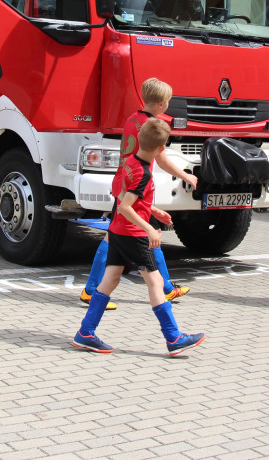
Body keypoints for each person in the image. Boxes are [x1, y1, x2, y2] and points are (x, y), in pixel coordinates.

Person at [73, 118, 204, 356]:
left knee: (110, 279)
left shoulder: (129, 162)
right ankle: (173, 337)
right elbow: (125, 205)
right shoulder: (143, 172)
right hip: (133, 235)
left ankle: (85, 332)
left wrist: (153, 211)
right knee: (155, 284)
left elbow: (122, 195)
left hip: (117, 231)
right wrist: (149, 228)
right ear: (162, 148)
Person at [80, 77, 195, 310]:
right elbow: (161, 160)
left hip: (125, 183)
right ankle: (91, 290)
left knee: (146, 236)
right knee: (122, 237)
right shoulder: (152, 125)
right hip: (135, 188)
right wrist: (186, 176)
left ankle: (166, 288)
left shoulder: (133, 118)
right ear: (162, 104)